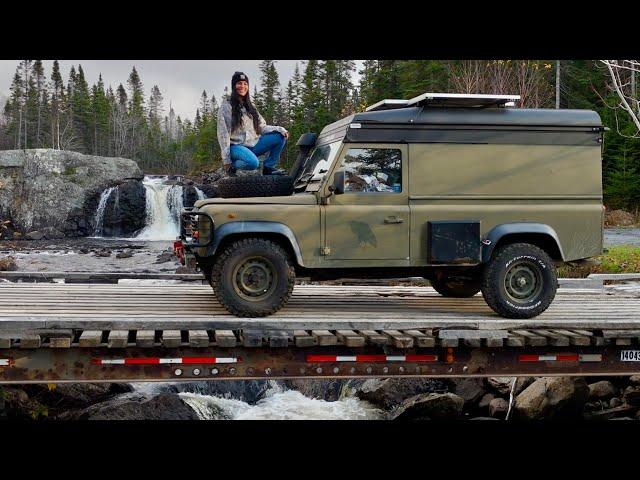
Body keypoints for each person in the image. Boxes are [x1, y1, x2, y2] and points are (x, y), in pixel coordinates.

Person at [217, 71, 289, 176]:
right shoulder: (226, 106)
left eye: (245, 84)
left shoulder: (250, 106)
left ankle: (268, 167)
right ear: (234, 86)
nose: (242, 86)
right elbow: (223, 135)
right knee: (253, 163)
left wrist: (280, 129)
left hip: (253, 145)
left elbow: (262, 127)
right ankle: (233, 166)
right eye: (239, 83)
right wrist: (226, 160)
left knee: (280, 136)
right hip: (236, 147)